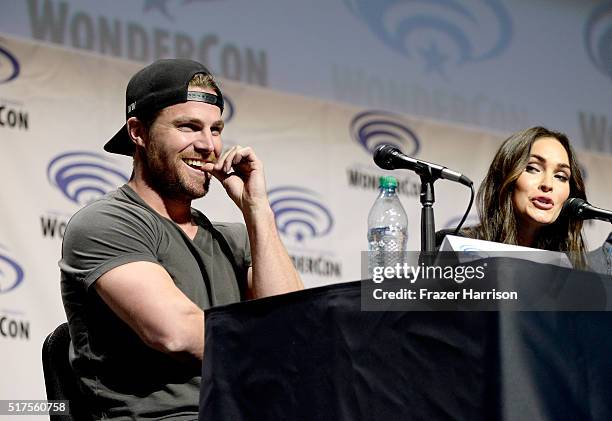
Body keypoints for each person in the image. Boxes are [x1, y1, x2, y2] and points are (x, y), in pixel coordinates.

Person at [59, 59, 303, 420]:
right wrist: (275, 343)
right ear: (138, 132)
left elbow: (297, 325)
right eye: (189, 127)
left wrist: (258, 211)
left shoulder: (237, 238)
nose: (208, 145)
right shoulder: (105, 223)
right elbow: (177, 333)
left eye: (216, 129)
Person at [445, 126, 588, 267]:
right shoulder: (458, 248)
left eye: (561, 176)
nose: (548, 184)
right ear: (505, 176)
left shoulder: (573, 267)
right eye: (533, 168)